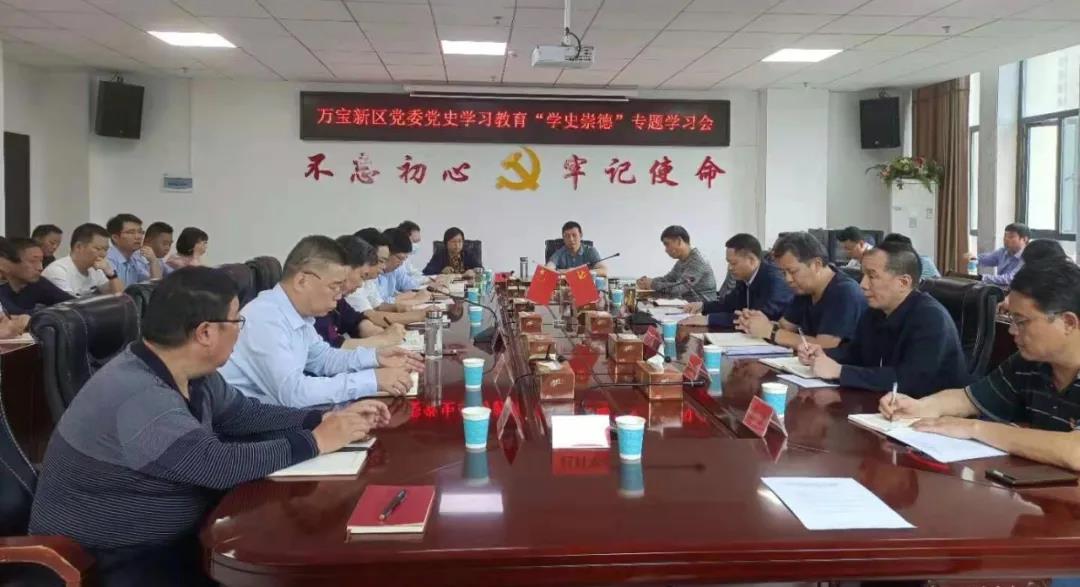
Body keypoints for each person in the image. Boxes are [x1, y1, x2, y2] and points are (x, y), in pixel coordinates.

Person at [28, 267, 392, 587]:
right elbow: (217, 465)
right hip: (113, 558)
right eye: (236, 322)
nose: (241, 332)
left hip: (177, 536)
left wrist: (319, 419)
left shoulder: (190, 373)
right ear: (205, 333)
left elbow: (243, 413)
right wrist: (315, 441)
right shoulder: (137, 394)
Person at [881, 259, 1080, 471]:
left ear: (1068, 323)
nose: (1012, 330)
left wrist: (975, 428)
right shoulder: (1028, 363)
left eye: (1021, 322)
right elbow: (968, 398)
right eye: (1010, 319)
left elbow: (1075, 451)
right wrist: (921, 407)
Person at [220, 235, 422, 407]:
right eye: (334, 286)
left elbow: (323, 358)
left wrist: (375, 357)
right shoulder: (266, 318)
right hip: (244, 430)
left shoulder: (298, 314)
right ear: (302, 280)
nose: (339, 295)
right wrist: (371, 380)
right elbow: (293, 393)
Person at [798, 241, 970, 397]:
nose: (862, 284)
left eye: (872, 276)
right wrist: (822, 354)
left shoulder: (931, 318)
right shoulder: (875, 311)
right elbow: (855, 354)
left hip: (929, 413)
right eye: (863, 275)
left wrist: (840, 372)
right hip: (884, 404)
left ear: (903, 283)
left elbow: (910, 381)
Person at [736, 232, 866, 350]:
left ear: (816, 265)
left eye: (792, 272)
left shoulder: (844, 292)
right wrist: (759, 322)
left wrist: (771, 332)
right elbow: (786, 327)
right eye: (783, 273)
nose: (788, 279)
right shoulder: (804, 289)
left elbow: (825, 346)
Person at [682, 233, 793, 328]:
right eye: (728, 263)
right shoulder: (744, 277)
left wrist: (709, 319)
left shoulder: (774, 279)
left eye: (734, 263)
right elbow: (729, 304)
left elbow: (757, 317)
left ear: (751, 260)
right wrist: (703, 306)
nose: (730, 268)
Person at [315, 235, 404, 349]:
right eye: (362, 276)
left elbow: (355, 319)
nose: (361, 284)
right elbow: (332, 348)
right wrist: (383, 339)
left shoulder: (338, 299)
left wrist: (374, 332)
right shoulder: (317, 305)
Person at [348, 229, 427, 329]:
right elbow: (370, 316)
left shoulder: (368, 279)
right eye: (380, 261)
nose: (384, 266)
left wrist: (397, 307)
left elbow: (378, 306)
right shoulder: (352, 283)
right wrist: (418, 315)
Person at [42, 223, 125, 298]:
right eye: (98, 249)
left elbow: (120, 298)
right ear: (79, 247)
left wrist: (111, 274)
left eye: (106, 249)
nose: (103, 254)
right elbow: (69, 305)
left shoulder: (95, 269)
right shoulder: (58, 270)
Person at [636, 225, 717, 302]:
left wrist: (652, 284)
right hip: (687, 306)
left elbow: (678, 289)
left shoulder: (698, 261)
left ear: (679, 241)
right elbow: (668, 279)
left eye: (667, 244)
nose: (666, 250)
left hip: (703, 309)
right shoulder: (682, 260)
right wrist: (646, 282)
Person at [0, 237, 73, 314]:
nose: (40, 268)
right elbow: (12, 315)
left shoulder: (37, 282)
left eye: (41, 261)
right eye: (33, 261)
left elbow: (72, 303)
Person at [964, 222, 1029, 286]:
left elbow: (1010, 279)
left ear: (1024, 239)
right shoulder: (1003, 251)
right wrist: (972, 258)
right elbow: (986, 259)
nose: (1006, 239)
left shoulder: (1028, 256)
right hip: (1002, 289)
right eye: (1005, 236)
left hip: (1018, 291)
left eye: (1011, 237)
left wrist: (982, 277)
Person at [105, 213, 162, 285]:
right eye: (131, 232)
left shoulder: (135, 260)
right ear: (115, 238)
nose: (138, 237)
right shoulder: (107, 260)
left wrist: (153, 261)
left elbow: (154, 286)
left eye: (140, 232)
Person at [377, 227, 427, 304]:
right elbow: (379, 304)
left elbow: (409, 285)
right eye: (400, 258)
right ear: (387, 252)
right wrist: (409, 297)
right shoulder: (373, 274)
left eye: (404, 259)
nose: (401, 263)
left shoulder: (395, 269)